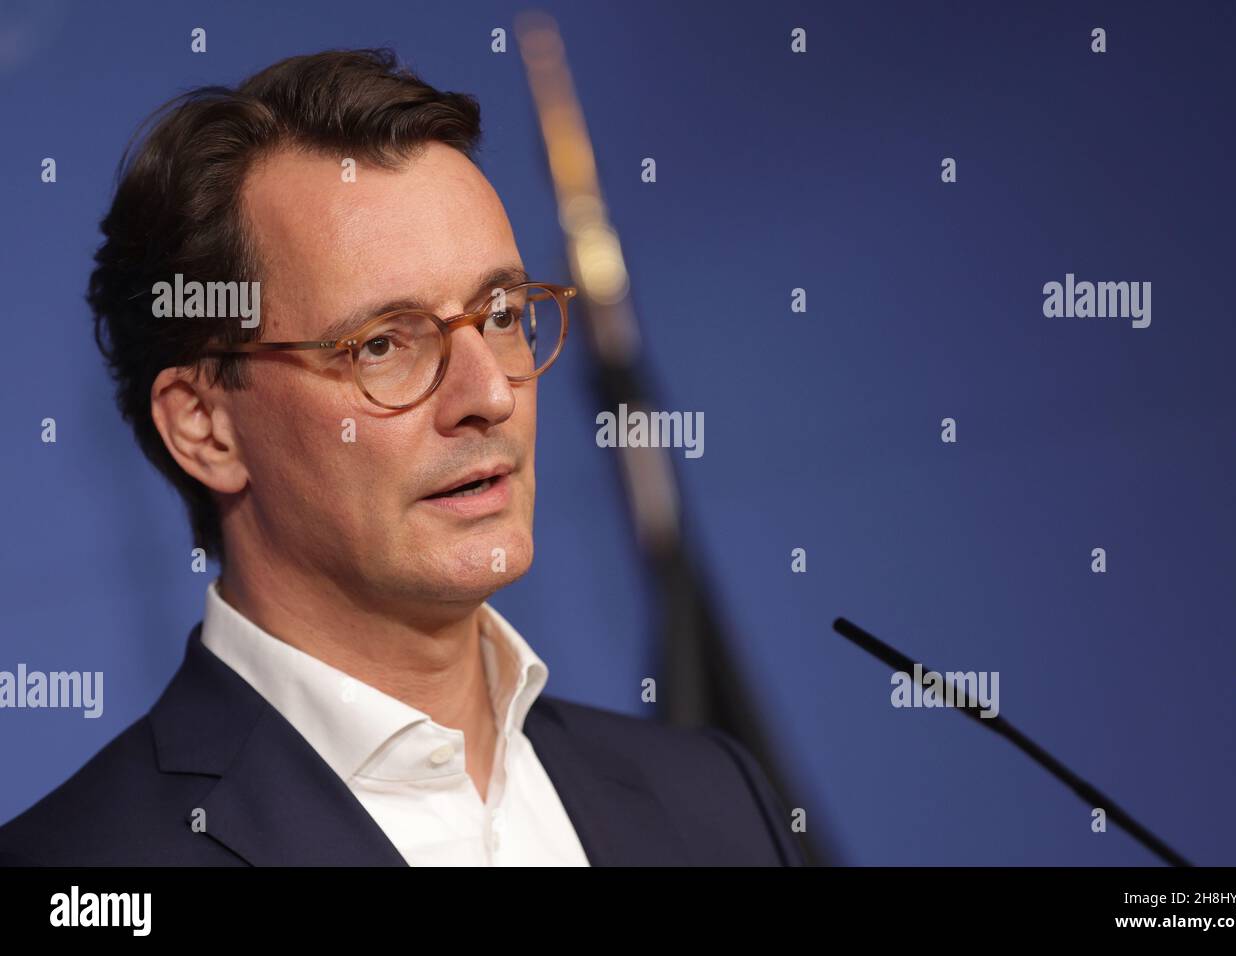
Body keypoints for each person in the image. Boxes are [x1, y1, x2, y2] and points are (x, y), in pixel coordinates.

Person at [0, 49, 803, 866]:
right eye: (382, 343)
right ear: (206, 426)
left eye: (499, 314)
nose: (489, 393)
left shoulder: (714, 802)